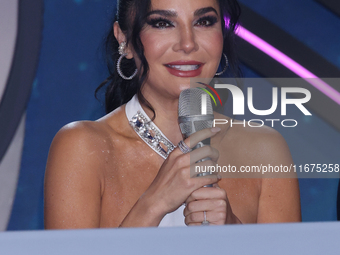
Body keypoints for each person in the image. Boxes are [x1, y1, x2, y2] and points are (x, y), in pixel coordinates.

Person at [44, 0, 301, 229]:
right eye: (163, 23)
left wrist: (234, 233)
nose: (188, 43)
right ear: (124, 39)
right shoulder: (82, 148)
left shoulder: (265, 150)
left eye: (204, 21)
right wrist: (153, 204)